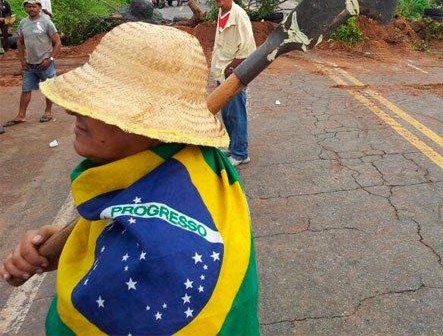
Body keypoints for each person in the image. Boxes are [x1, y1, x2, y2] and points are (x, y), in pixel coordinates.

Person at [0, 22, 260, 335]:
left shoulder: (162, 259)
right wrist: (72, 242)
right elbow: (132, 219)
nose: (72, 112)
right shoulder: (185, 164)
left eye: (99, 103)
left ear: (148, 122)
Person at [211, 0, 256, 166]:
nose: (217, 0)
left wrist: (231, 70)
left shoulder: (239, 16)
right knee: (228, 113)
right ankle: (232, 145)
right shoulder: (223, 12)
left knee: (236, 112)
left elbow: (247, 50)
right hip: (222, 71)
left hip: (233, 72)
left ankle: (240, 153)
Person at [3, 0, 61, 128]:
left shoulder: (47, 23)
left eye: (34, 6)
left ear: (40, 8)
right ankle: (21, 115)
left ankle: (48, 112)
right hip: (30, 64)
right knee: (26, 89)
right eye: (29, 6)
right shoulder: (23, 23)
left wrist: (50, 59)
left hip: (45, 63)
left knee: (49, 89)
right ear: (25, 8)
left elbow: (57, 43)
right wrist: (22, 60)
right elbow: (20, 41)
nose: (32, 9)